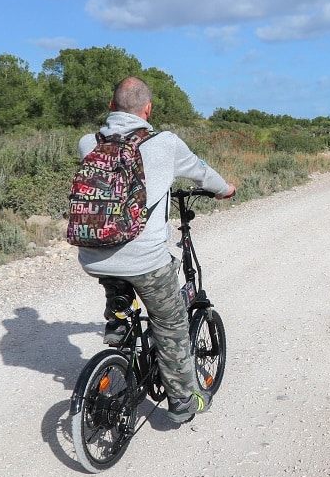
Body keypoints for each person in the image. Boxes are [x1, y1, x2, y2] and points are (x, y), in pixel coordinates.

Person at [75, 76, 234, 423]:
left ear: (112, 107)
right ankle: (182, 400)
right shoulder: (166, 143)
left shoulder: (89, 142)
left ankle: (118, 317)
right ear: (148, 110)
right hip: (145, 260)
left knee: (116, 273)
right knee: (171, 322)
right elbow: (203, 174)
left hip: (94, 254)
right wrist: (226, 190)